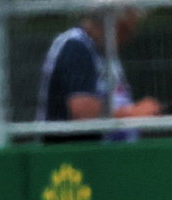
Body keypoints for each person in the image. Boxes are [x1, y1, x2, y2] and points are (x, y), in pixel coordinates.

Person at [35, 3, 161, 142]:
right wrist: (131, 114)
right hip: (75, 156)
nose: (128, 38)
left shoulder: (104, 53)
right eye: (124, 30)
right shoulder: (76, 47)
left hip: (106, 154)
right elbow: (83, 111)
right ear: (107, 23)